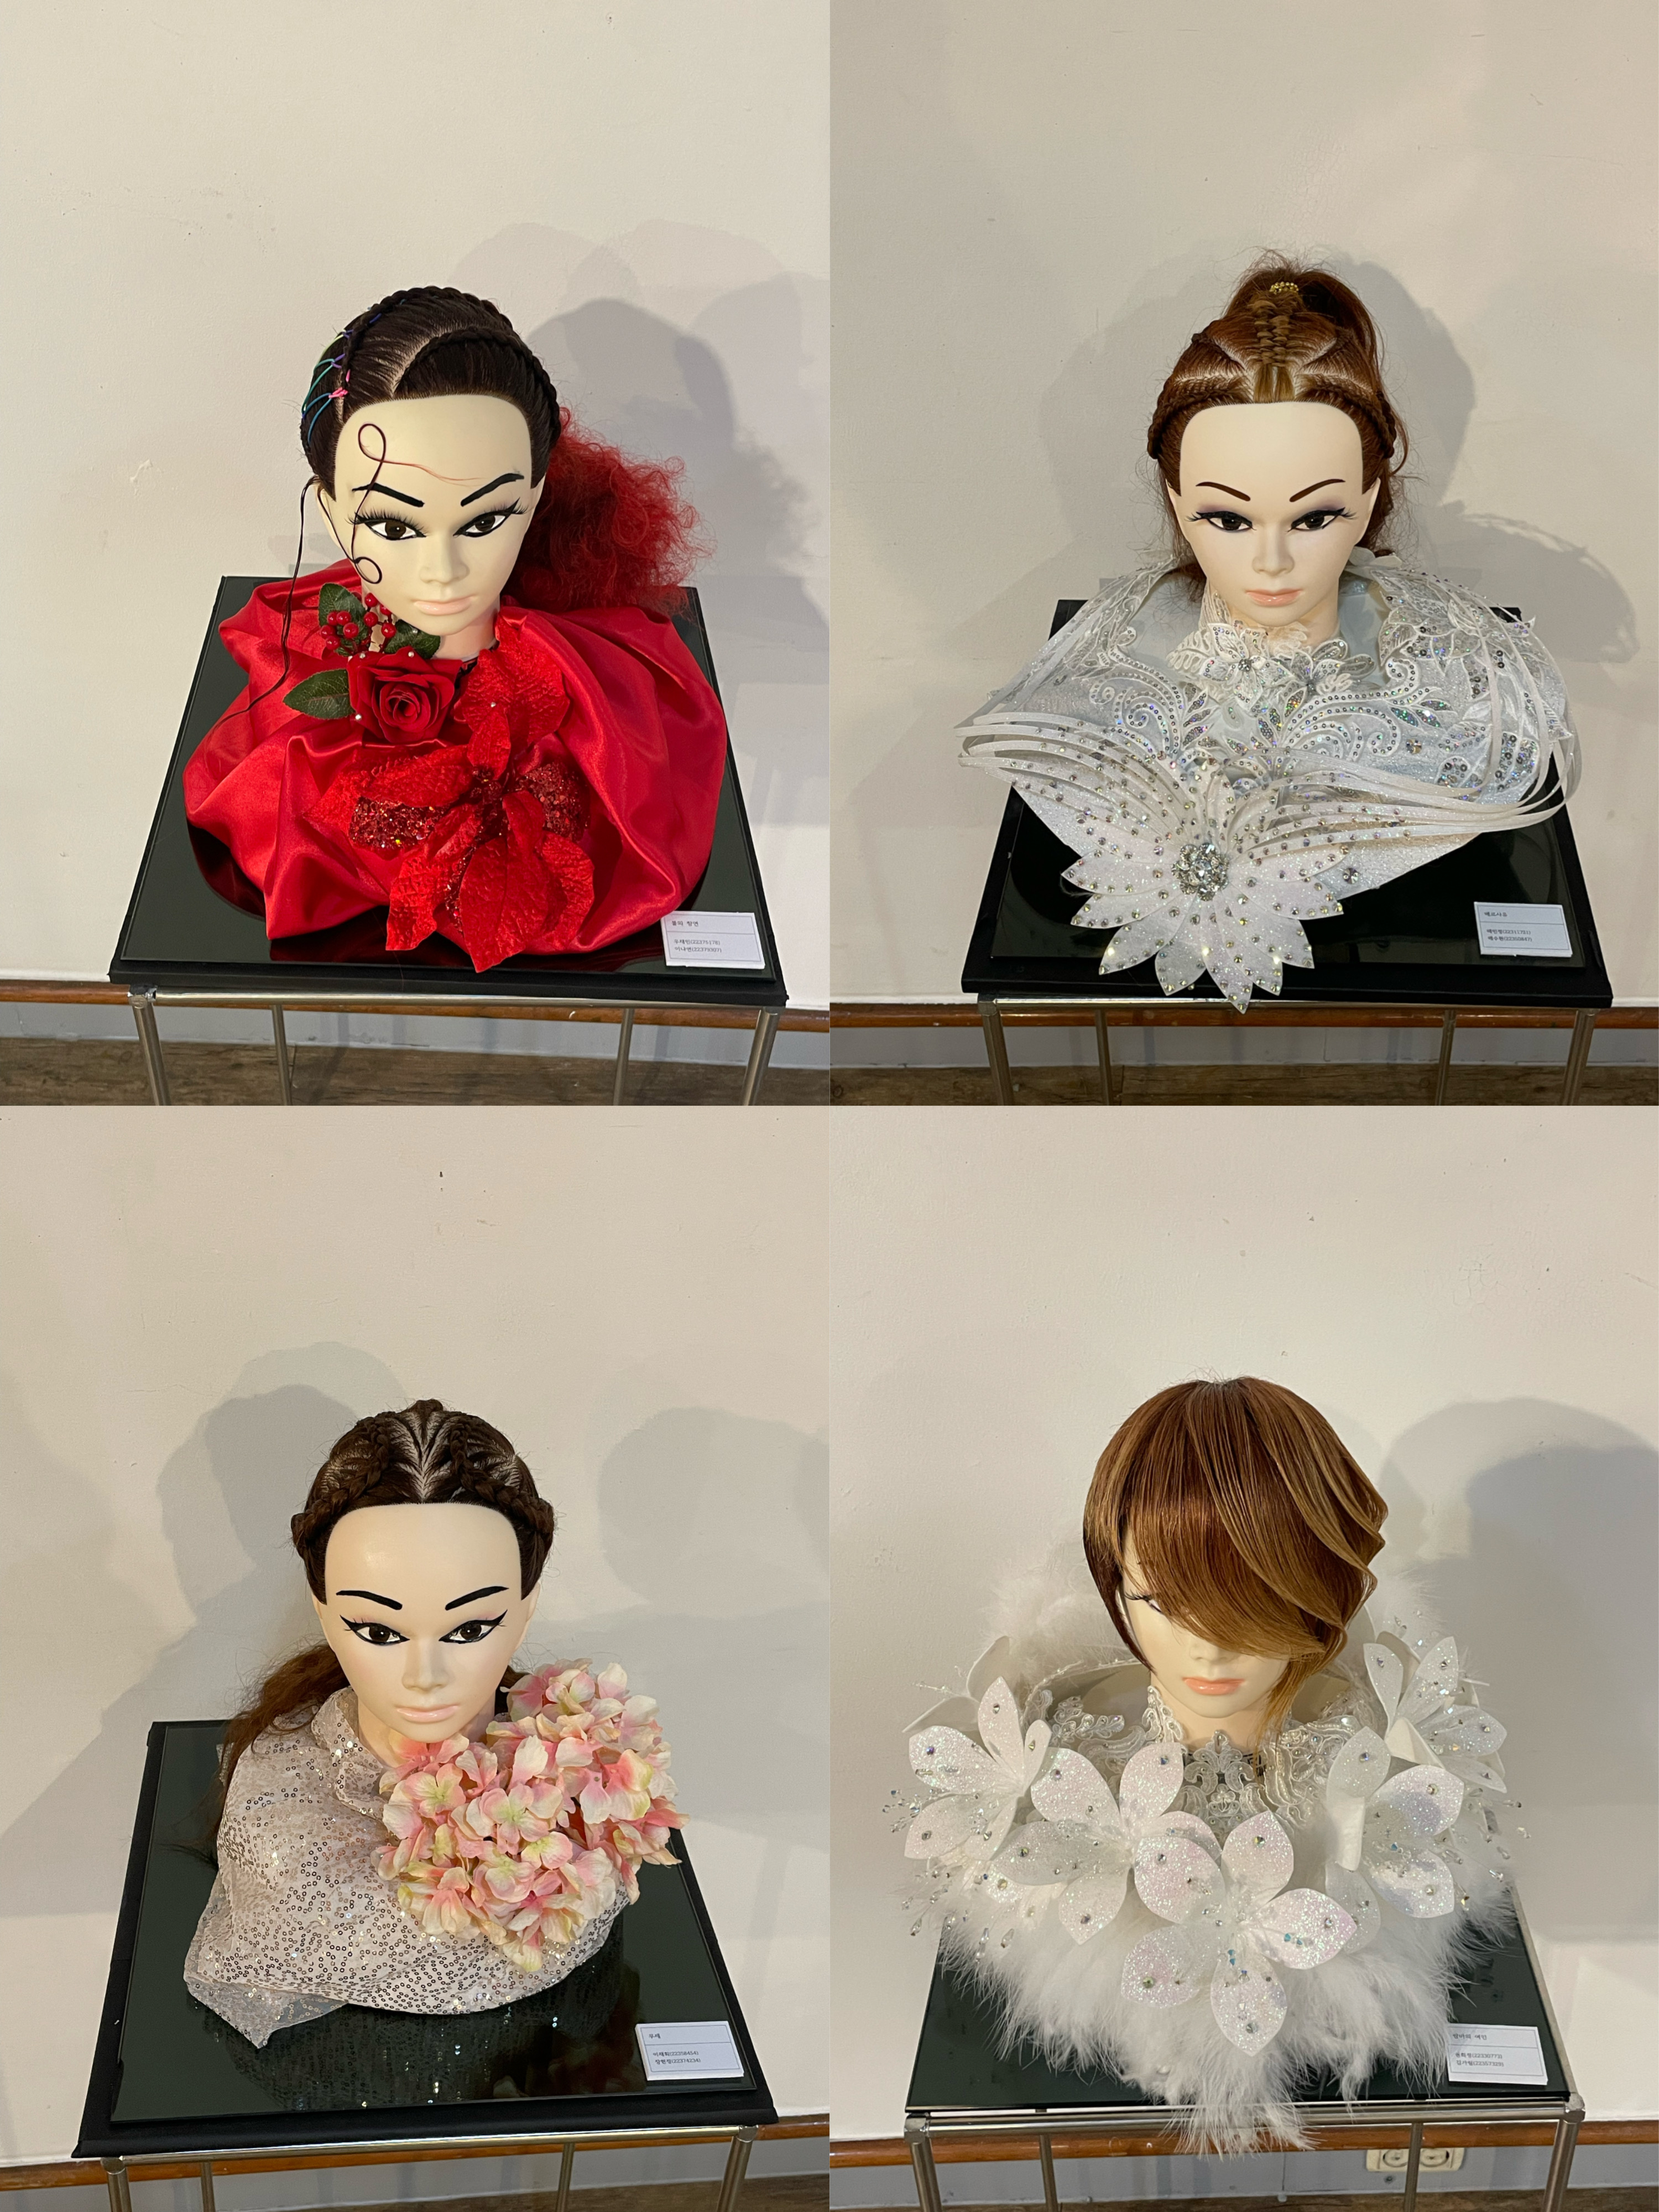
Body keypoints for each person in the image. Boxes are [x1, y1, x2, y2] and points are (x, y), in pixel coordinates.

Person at [903, 1377, 1514, 2149]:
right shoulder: (1059, 1773)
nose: (1209, 1644)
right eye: (1160, 1599)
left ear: (1326, 1585)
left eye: (1253, 1597)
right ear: (1113, 1585)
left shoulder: (1388, 1771)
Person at [958, 263, 1579, 1009]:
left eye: (1315, 517)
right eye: (1228, 518)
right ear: (1177, 500)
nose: (1272, 560)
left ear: (1369, 498)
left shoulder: (1458, 699)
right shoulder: (1099, 691)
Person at [183, 288, 727, 971]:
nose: (443, 570)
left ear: (534, 498)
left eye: (485, 520)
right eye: (392, 526)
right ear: (331, 514)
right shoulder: (291, 723)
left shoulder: (617, 715)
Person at [185, 1401, 677, 2046]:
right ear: (323, 1610)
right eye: (378, 1631)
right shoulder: (279, 1827)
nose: (425, 1674)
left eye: (469, 1629)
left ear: (526, 1607)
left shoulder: (582, 1794)